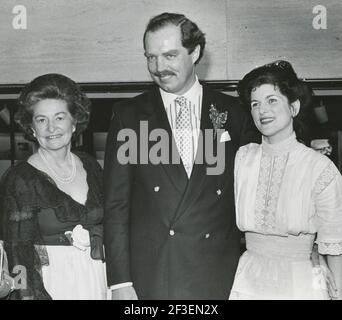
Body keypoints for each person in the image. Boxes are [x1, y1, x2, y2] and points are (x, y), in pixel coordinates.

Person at [103, 12, 258, 300]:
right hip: (152, 274)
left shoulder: (234, 113)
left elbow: (249, 198)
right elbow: (115, 205)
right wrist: (120, 282)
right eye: (151, 57)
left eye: (170, 55)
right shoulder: (130, 117)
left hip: (217, 275)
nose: (159, 67)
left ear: (195, 52)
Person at [229, 60, 342, 300]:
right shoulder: (243, 159)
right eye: (255, 104)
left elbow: (334, 242)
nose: (262, 110)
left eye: (272, 101)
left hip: (301, 281)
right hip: (249, 277)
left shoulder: (320, 168)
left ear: (294, 107)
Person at [0, 74, 107, 299]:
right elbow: (18, 253)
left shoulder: (90, 164)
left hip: (97, 277)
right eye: (41, 120)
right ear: (31, 127)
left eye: (59, 117)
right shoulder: (20, 179)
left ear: (74, 120)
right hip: (52, 285)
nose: (51, 128)